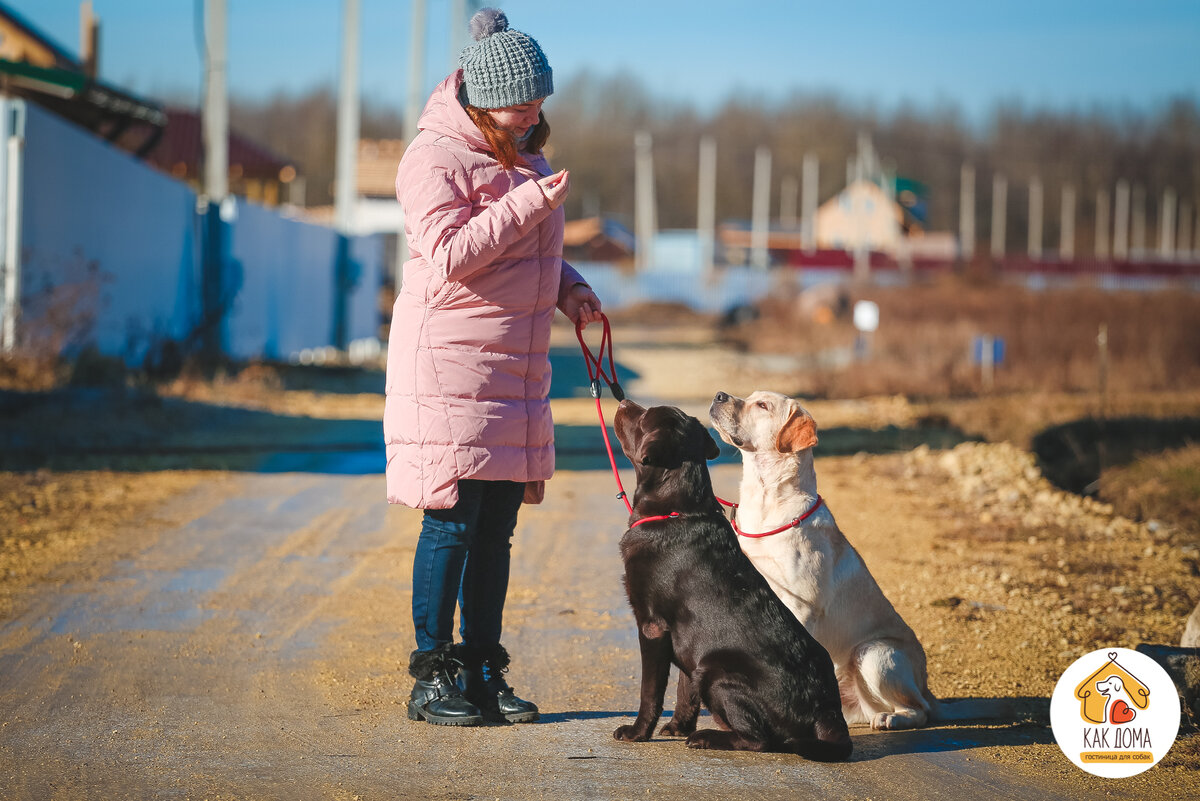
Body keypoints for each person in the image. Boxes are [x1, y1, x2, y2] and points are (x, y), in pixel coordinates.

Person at [384, 7, 603, 727]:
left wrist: (571, 288)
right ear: (480, 97)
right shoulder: (431, 159)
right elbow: (450, 252)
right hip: (449, 365)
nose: (535, 112)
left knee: (497, 527)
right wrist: (531, 200)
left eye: (542, 98)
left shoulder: (525, 156)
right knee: (451, 522)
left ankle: (481, 669)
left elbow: (524, 251)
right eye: (523, 100)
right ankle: (431, 675)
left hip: (512, 369)